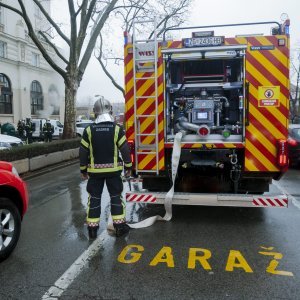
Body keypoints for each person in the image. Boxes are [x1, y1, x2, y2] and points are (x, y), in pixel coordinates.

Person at [79, 98, 132, 239]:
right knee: (116, 198)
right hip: (114, 173)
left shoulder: (89, 130)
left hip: (94, 174)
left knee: (94, 199)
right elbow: (125, 149)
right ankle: (119, 227)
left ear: (95, 112)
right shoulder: (116, 129)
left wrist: (83, 169)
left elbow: (83, 151)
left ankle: (92, 229)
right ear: (110, 111)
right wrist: (128, 166)